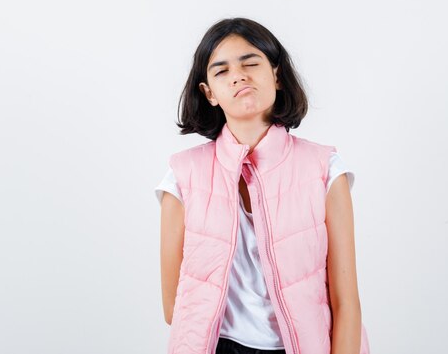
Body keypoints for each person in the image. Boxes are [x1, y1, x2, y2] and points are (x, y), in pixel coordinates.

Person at [154, 17, 369, 354]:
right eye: (221, 71)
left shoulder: (325, 169)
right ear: (208, 93)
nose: (238, 75)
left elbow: (346, 303)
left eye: (250, 63)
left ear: (277, 76)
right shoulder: (182, 176)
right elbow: (174, 305)